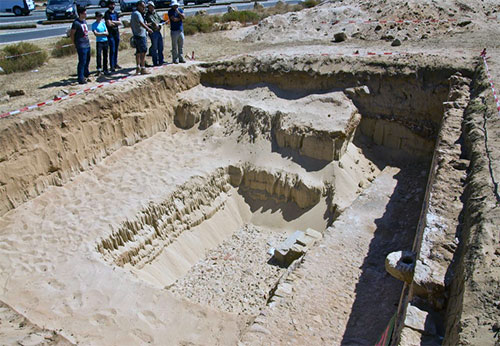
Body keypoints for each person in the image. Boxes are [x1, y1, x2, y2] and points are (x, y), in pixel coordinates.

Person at [130, 1, 153, 74]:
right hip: (140, 35)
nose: (144, 8)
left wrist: (148, 24)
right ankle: (143, 68)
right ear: (139, 6)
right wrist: (148, 29)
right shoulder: (137, 13)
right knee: (143, 52)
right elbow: (141, 23)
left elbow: (140, 23)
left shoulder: (134, 14)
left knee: (138, 52)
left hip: (137, 35)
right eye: (143, 7)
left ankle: (138, 67)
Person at [70, 6, 91, 84]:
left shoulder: (84, 21)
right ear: (80, 14)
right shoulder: (76, 23)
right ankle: (81, 78)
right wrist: (74, 43)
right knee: (82, 61)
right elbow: (72, 34)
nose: (86, 14)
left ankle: (86, 74)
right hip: (81, 45)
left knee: (87, 60)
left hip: (87, 43)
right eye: (84, 13)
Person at [145, 1, 164, 66]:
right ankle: (155, 62)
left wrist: (162, 23)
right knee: (154, 47)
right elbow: (148, 23)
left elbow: (160, 20)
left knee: (160, 46)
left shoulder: (156, 13)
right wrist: (153, 25)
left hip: (158, 31)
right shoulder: (147, 15)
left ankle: (161, 61)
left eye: (151, 6)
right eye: (149, 7)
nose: (150, 8)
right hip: (153, 32)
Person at [104, 0, 121, 72]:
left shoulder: (116, 13)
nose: (113, 6)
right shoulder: (107, 14)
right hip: (110, 34)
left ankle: (115, 63)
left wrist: (113, 22)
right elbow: (108, 24)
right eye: (111, 4)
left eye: (113, 4)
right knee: (112, 50)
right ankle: (112, 66)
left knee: (116, 49)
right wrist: (114, 23)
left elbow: (120, 22)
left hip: (116, 33)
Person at [91, 11, 110, 76]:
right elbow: (96, 34)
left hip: (105, 41)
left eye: (100, 16)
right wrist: (103, 33)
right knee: (99, 55)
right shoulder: (94, 24)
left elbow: (107, 33)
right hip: (99, 42)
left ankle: (105, 69)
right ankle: (99, 69)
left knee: (105, 55)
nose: (100, 18)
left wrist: (102, 34)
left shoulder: (103, 24)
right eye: (98, 16)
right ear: (96, 17)